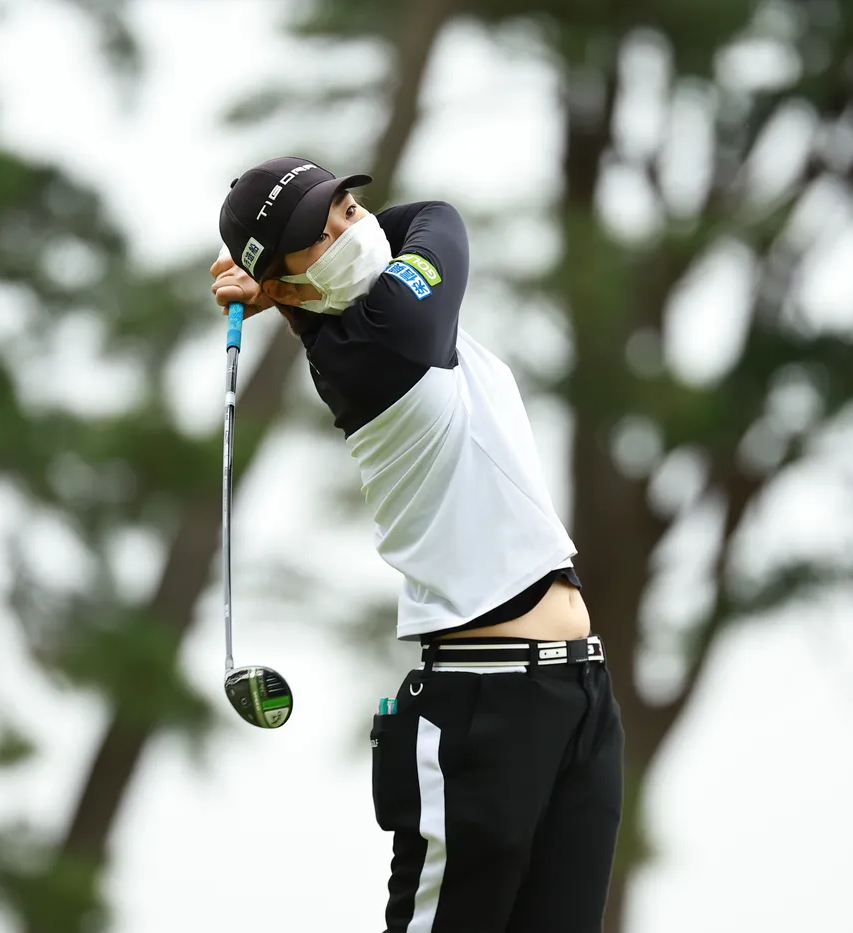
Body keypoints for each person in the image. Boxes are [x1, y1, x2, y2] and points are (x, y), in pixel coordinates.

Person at [210, 156, 624, 933]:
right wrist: (281, 295)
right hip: (481, 708)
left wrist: (281, 289)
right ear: (292, 280)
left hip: (577, 693)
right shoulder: (384, 342)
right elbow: (439, 219)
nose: (353, 226)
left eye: (346, 206)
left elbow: (409, 231)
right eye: (321, 232)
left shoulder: (374, 325)